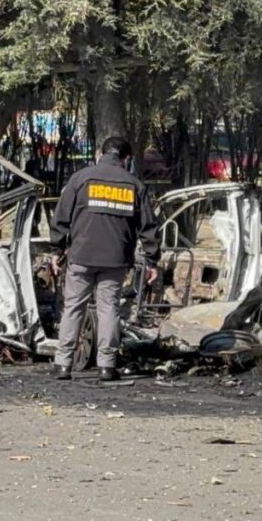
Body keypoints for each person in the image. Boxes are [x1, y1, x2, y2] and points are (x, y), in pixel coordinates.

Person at [50, 138, 161, 381]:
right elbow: (148, 227)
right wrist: (152, 261)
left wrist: (57, 250)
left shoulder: (80, 179)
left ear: (100, 153)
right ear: (127, 158)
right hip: (115, 259)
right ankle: (107, 366)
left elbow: (61, 218)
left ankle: (63, 364)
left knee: (73, 308)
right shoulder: (134, 185)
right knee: (109, 308)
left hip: (80, 256)